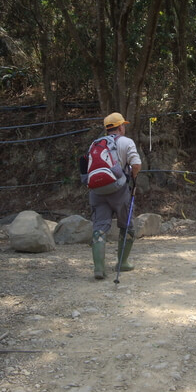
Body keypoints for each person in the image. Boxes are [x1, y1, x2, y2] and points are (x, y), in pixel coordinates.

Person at [82, 112, 142, 280]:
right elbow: (136, 164)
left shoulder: (95, 144)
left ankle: (99, 268)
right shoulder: (126, 142)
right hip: (119, 191)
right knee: (127, 226)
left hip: (97, 192)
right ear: (121, 127)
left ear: (107, 129)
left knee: (99, 227)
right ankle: (122, 263)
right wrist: (133, 179)